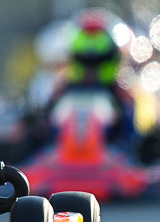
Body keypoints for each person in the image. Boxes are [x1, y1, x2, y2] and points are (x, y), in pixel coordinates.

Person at [46, 11, 137, 151]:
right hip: (61, 157)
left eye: (97, 63)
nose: (91, 71)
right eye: (85, 62)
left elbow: (133, 140)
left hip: (112, 156)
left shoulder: (122, 97)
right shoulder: (61, 93)